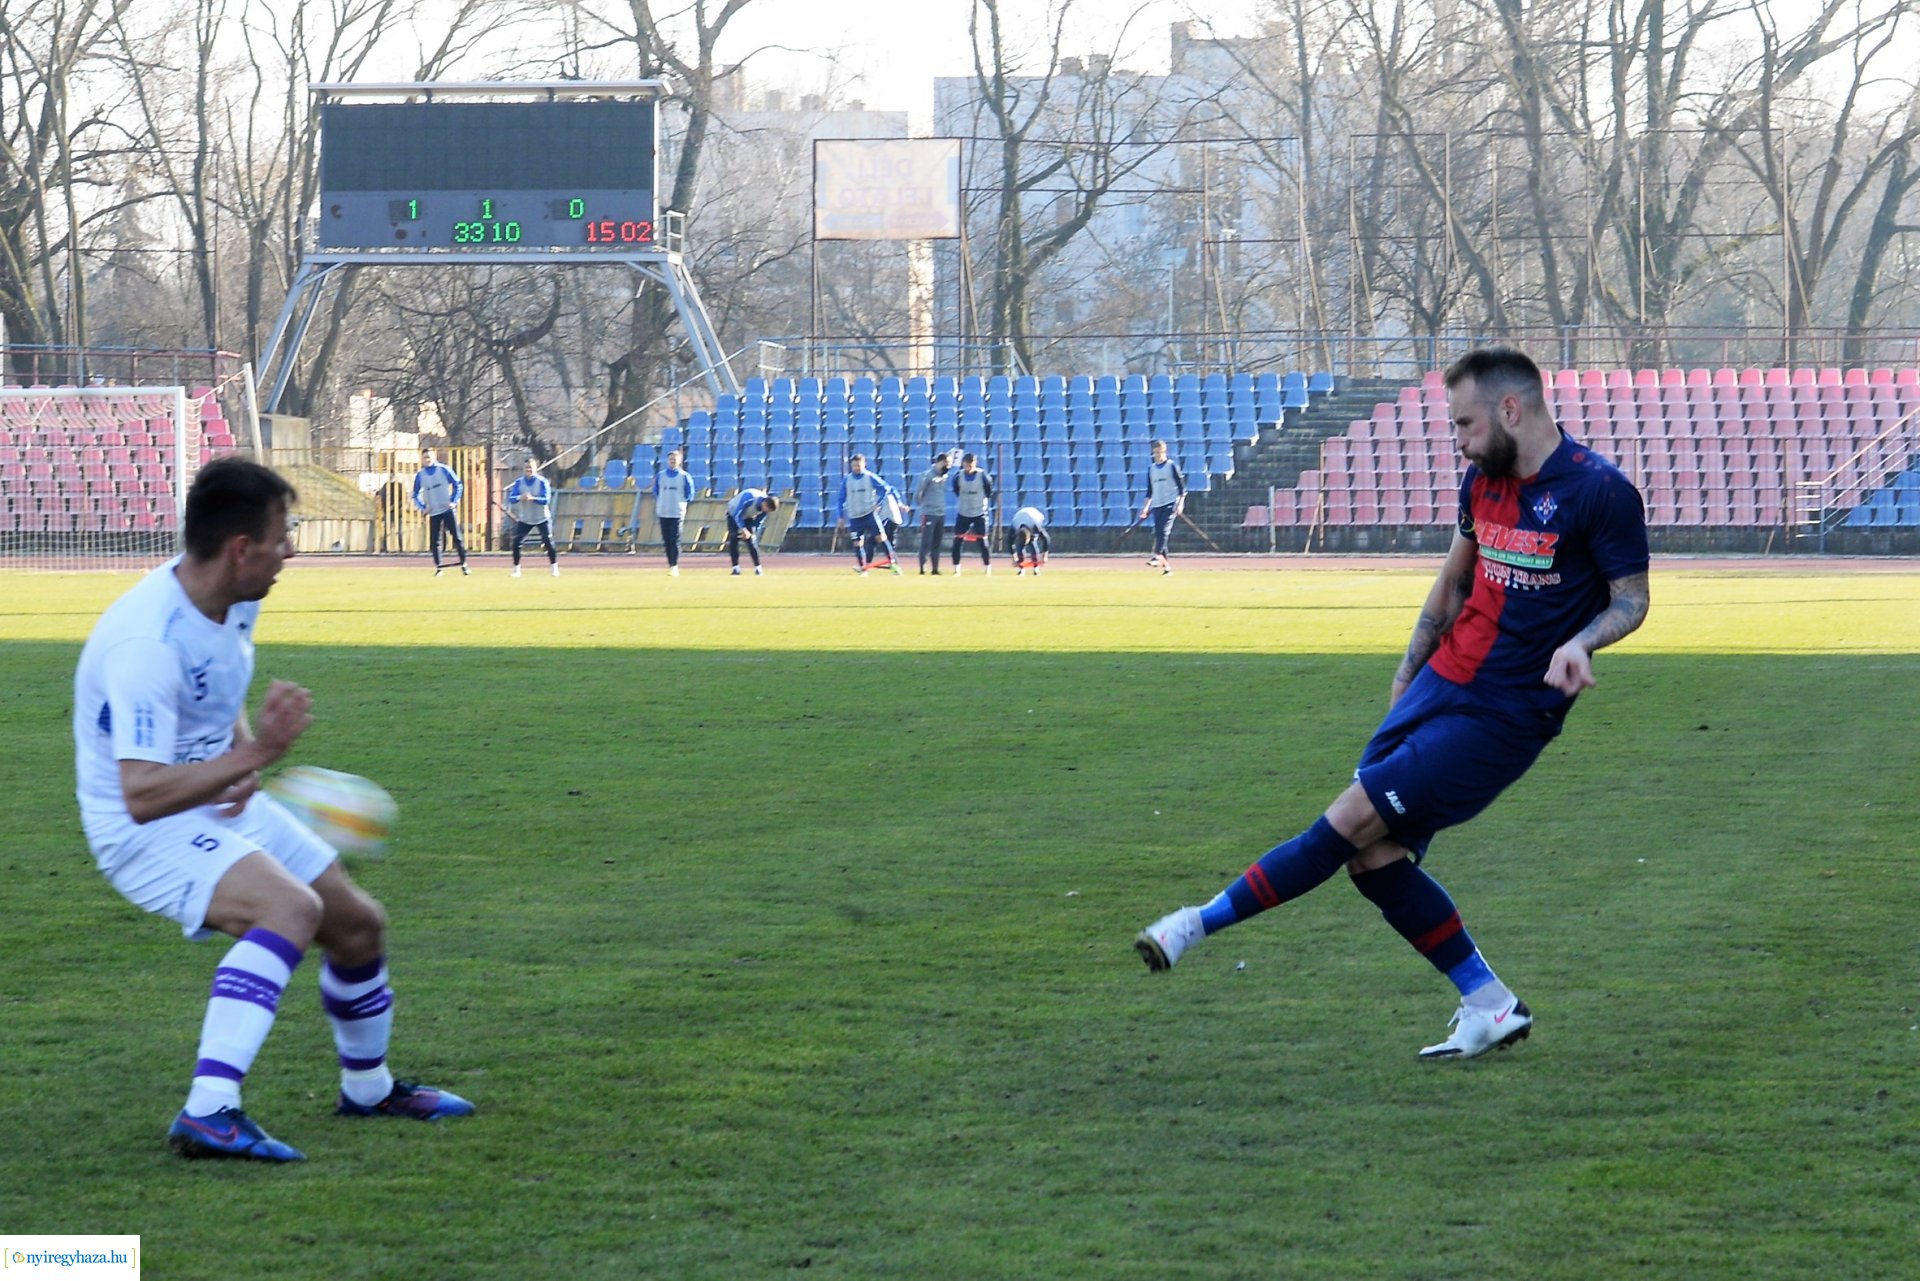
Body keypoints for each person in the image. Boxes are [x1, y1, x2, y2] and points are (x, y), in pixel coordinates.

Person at [1134, 346, 1651, 1060]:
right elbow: (1452, 584)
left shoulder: (1601, 492)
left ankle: (1194, 923)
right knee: (1372, 857)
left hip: (1505, 714)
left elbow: (1633, 599)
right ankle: (1490, 1002)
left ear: (1511, 409)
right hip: (1442, 685)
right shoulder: (1482, 482)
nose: (1460, 441)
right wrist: (1409, 676)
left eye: (1466, 424)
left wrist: (1582, 642)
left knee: (1350, 820)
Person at [72, 457, 474, 1163]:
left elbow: (212, 695)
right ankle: (209, 1112)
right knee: (289, 909)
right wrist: (255, 755)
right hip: (142, 826)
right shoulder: (147, 644)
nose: (291, 551)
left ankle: (369, 1088)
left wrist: (235, 752)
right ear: (240, 549)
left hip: (212, 794)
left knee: (358, 924)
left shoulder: (233, 595)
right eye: (282, 536)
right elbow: (141, 794)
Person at [838, 454, 904, 575]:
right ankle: (863, 568)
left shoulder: (870, 477)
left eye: (858, 465)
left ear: (864, 464)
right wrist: (841, 516)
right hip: (855, 517)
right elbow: (841, 498)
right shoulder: (847, 480)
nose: (856, 468)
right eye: (854, 466)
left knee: (881, 538)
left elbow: (886, 489)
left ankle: (893, 565)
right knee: (858, 543)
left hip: (869, 515)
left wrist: (878, 503)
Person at [412, 447, 469, 576]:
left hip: (447, 509)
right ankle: (439, 567)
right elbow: (414, 494)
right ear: (421, 459)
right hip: (434, 512)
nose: (427, 459)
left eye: (429, 457)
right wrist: (423, 507)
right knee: (435, 541)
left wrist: (454, 501)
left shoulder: (444, 469)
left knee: (457, 537)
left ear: (434, 457)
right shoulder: (420, 475)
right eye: (425, 457)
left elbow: (458, 484)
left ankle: (464, 564)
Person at [504, 458, 558, 577]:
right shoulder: (519, 482)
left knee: (548, 541)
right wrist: (520, 497)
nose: (528, 470)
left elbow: (546, 500)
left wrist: (533, 499)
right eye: (526, 468)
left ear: (536, 469)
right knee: (517, 542)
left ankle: (554, 567)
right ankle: (516, 570)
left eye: (531, 468)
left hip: (542, 518)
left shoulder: (542, 482)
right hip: (525, 518)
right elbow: (512, 498)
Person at [1139, 439, 1185, 575]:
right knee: (1158, 532)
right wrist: (1145, 508)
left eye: (1160, 452)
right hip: (1157, 504)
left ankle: (1157, 555)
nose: (1158, 455)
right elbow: (1150, 491)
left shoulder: (1171, 466)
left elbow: (1182, 488)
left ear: (1165, 452)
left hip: (1170, 503)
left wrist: (1180, 503)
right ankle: (1167, 568)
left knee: (1163, 530)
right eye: (1155, 453)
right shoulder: (1151, 469)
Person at [949, 452, 994, 574]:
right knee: (958, 540)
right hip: (963, 512)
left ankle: (987, 568)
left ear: (975, 464)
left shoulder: (983, 476)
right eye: (966, 465)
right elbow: (956, 491)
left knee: (982, 541)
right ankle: (957, 569)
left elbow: (989, 491)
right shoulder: (958, 476)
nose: (968, 468)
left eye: (971, 465)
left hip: (979, 512)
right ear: (963, 464)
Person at [653, 449, 696, 576]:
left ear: (680, 461)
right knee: (666, 540)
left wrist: (681, 502)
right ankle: (670, 564)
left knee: (675, 538)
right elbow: (656, 491)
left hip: (677, 512)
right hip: (663, 512)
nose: (672, 461)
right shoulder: (661, 475)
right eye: (671, 459)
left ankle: (675, 565)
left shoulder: (684, 476)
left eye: (675, 459)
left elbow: (690, 494)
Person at [913, 453, 952, 575]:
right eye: (947, 463)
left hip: (941, 513)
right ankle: (922, 568)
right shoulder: (927, 475)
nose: (949, 466)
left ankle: (935, 568)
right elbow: (918, 493)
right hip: (929, 513)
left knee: (937, 542)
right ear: (941, 462)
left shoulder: (944, 476)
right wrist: (924, 507)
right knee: (926, 541)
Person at [726, 487, 779, 575]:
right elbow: (737, 515)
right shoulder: (749, 497)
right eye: (766, 509)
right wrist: (743, 529)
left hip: (748, 516)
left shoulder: (765, 510)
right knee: (733, 538)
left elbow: (758, 522)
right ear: (765, 504)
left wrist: (751, 533)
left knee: (751, 541)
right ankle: (736, 568)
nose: (765, 512)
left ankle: (758, 568)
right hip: (733, 514)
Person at [1009, 504, 1050, 574]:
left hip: (1035, 516)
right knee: (1019, 547)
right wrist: (1014, 558)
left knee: (1032, 544)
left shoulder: (1035, 525)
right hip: (1020, 516)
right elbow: (1009, 542)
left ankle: (1036, 568)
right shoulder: (1014, 526)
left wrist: (1045, 556)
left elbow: (1046, 538)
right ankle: (1021, 569)